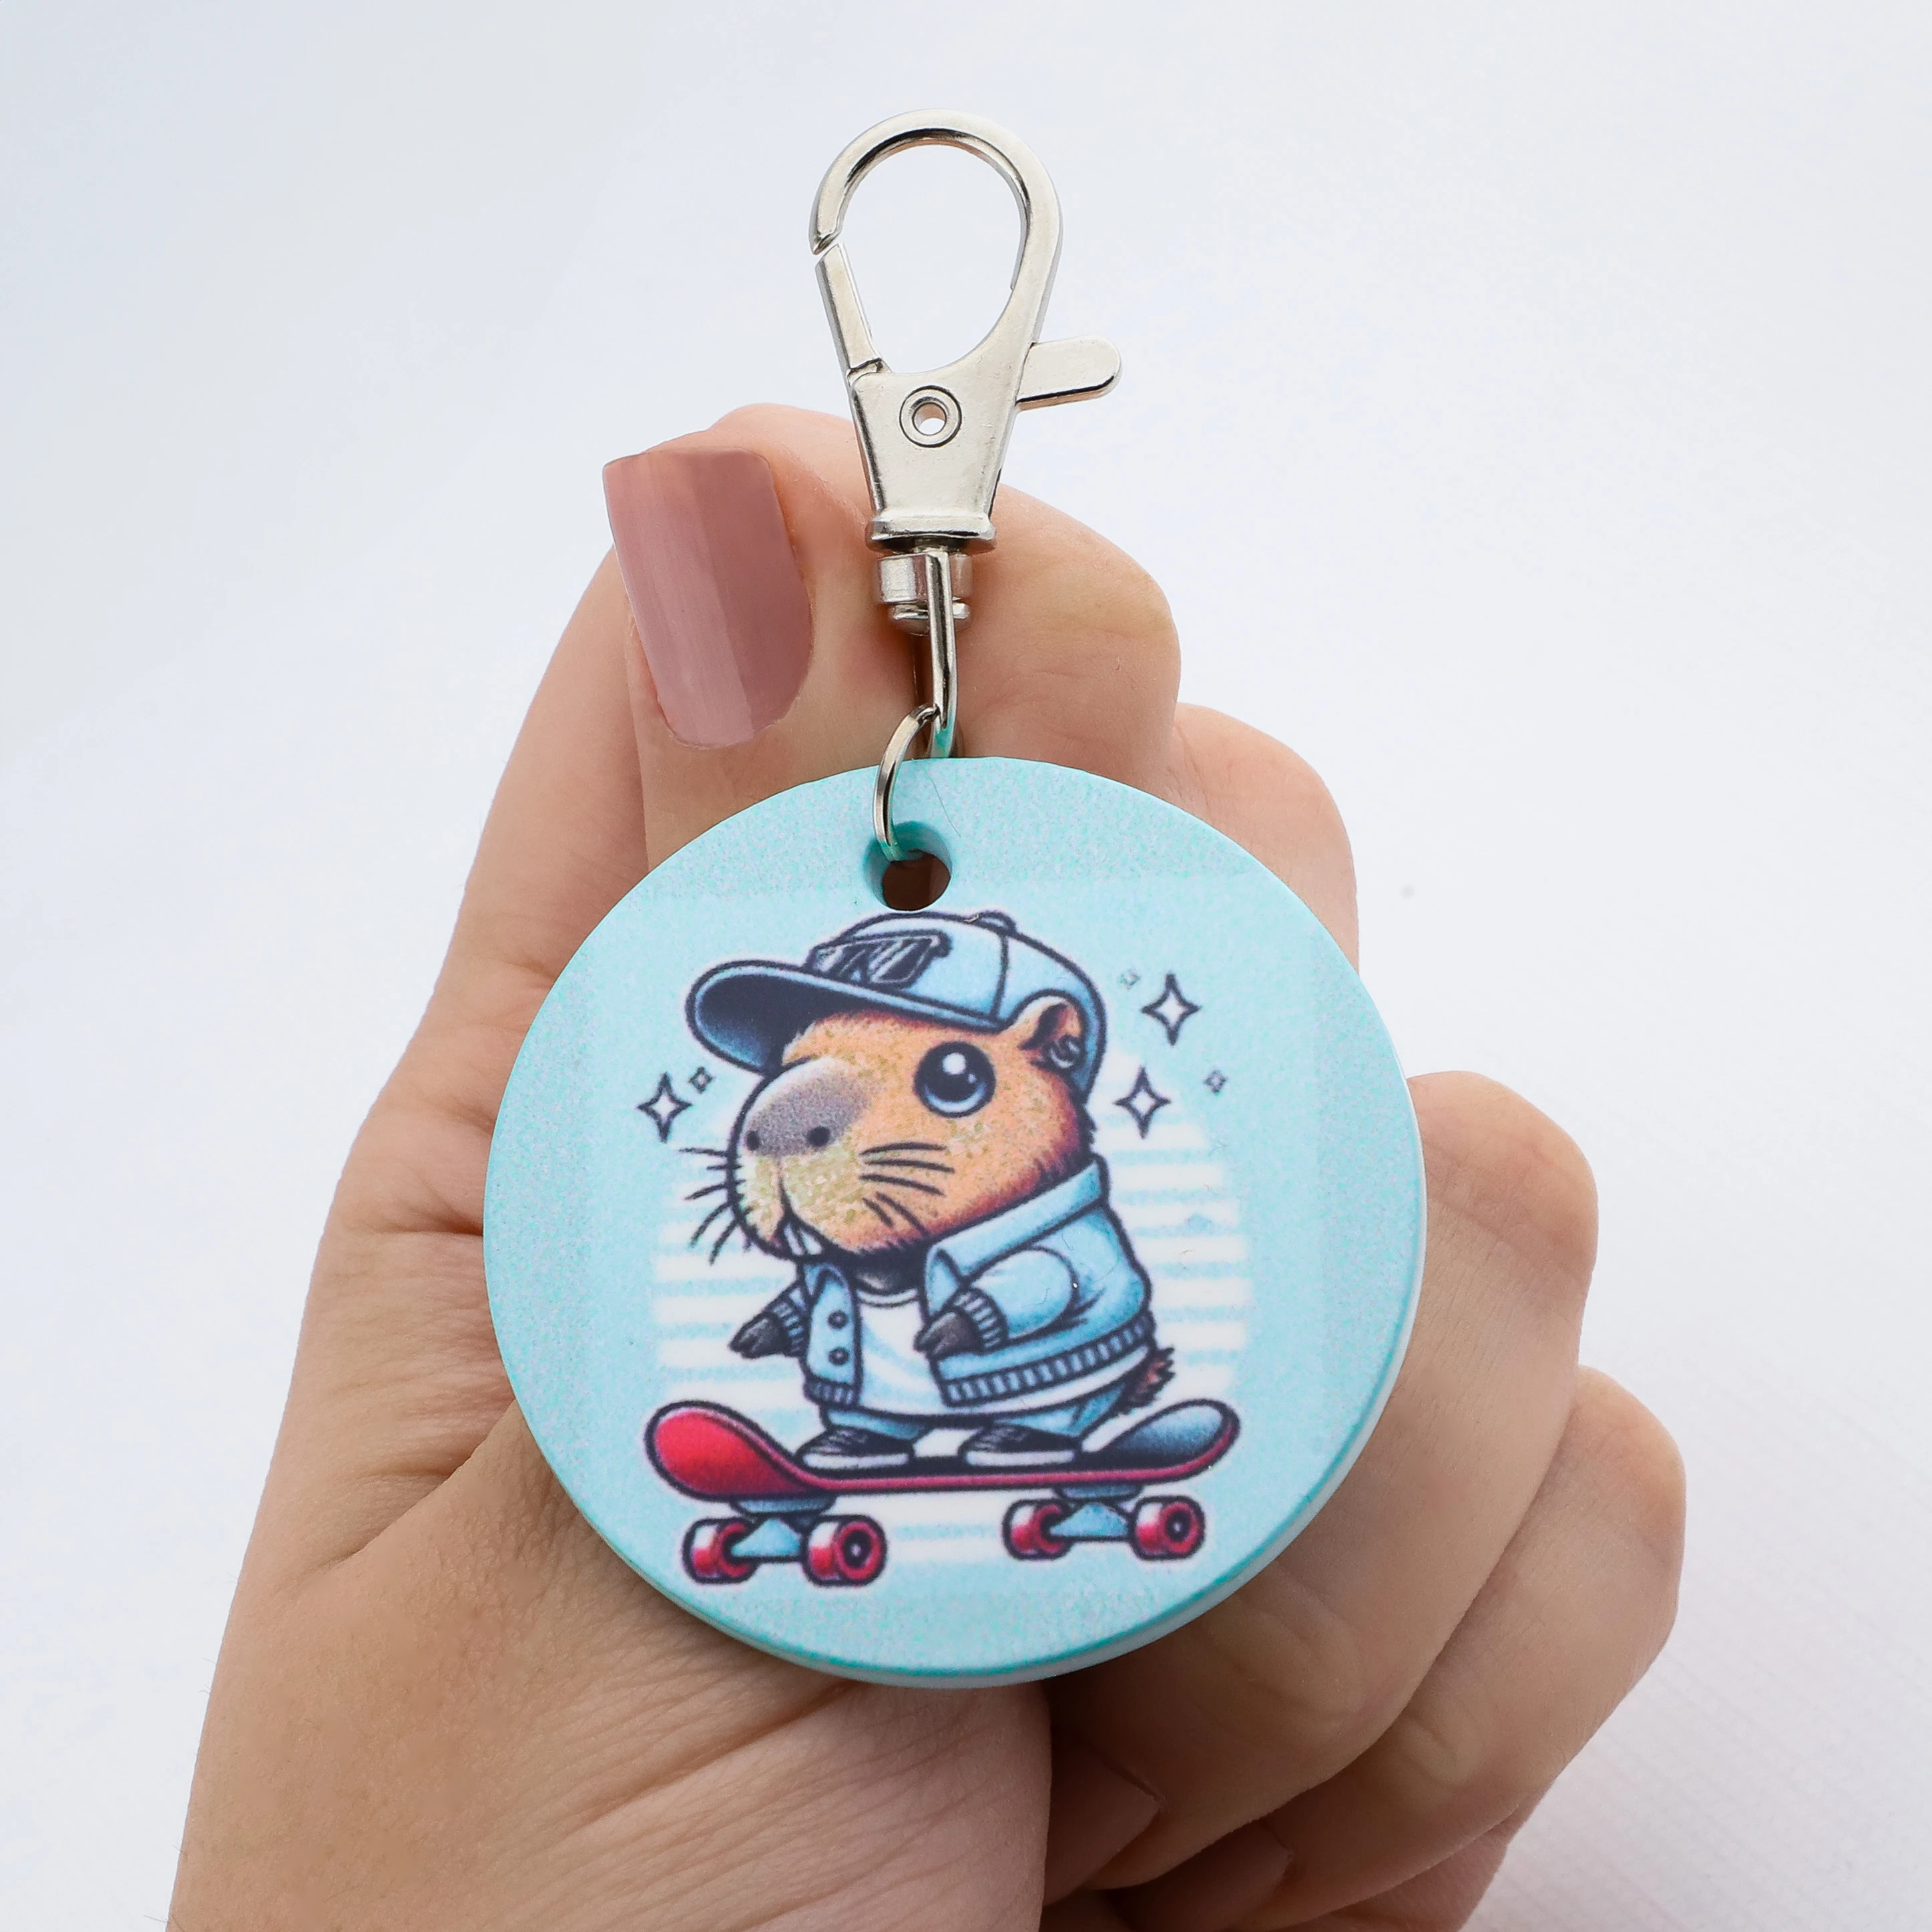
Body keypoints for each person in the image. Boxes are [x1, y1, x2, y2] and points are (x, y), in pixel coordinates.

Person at [168, 406, 1684, 1932]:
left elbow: (1065, 1284)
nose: (795, 1119)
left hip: (1046, 1398)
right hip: (871, 1441)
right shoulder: (828, 1225)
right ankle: (886, 1449)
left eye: (942, 1074)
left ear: (1049, 1059)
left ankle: (1044, 1449)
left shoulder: (1059, 1224)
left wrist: (980, 1309)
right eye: (798, 1073)